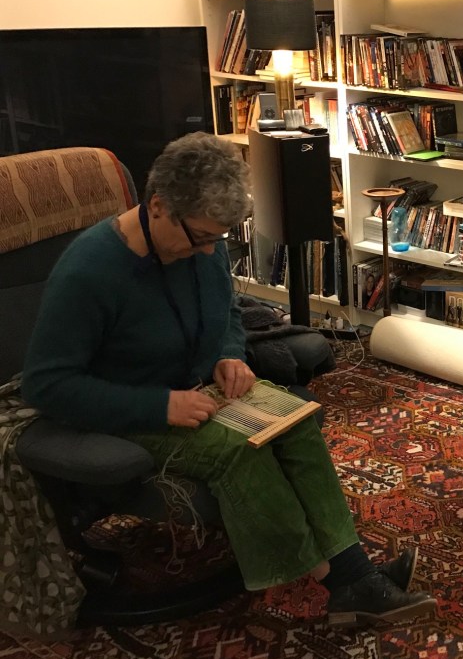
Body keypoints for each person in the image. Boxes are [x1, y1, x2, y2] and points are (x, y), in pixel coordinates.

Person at [22, 132, 436, 627]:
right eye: (200, 237)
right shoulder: (89, 271)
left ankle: (354, 571)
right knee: (238, 451)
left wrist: (228, 354)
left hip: (203, 391)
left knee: (297, 423)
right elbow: (46, 385)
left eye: (216, 240)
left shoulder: (204, 246)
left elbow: (229, 313)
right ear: (158, 205)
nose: (207, 251)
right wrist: (161, 406)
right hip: (127, 408)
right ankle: (343, 581)